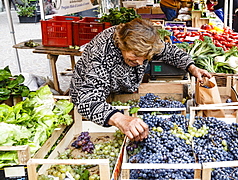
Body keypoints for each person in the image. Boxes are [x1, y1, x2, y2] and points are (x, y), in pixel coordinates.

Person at [70, 18, 212, 141]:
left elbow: (169, 51)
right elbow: (87, 99)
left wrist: (192, 67)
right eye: (135, 57)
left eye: (144, 58)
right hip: (88, 97)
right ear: (121, 45)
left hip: (115, 90)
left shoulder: (145, 43)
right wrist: (119, 119)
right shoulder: (100, 53)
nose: (140, 63)